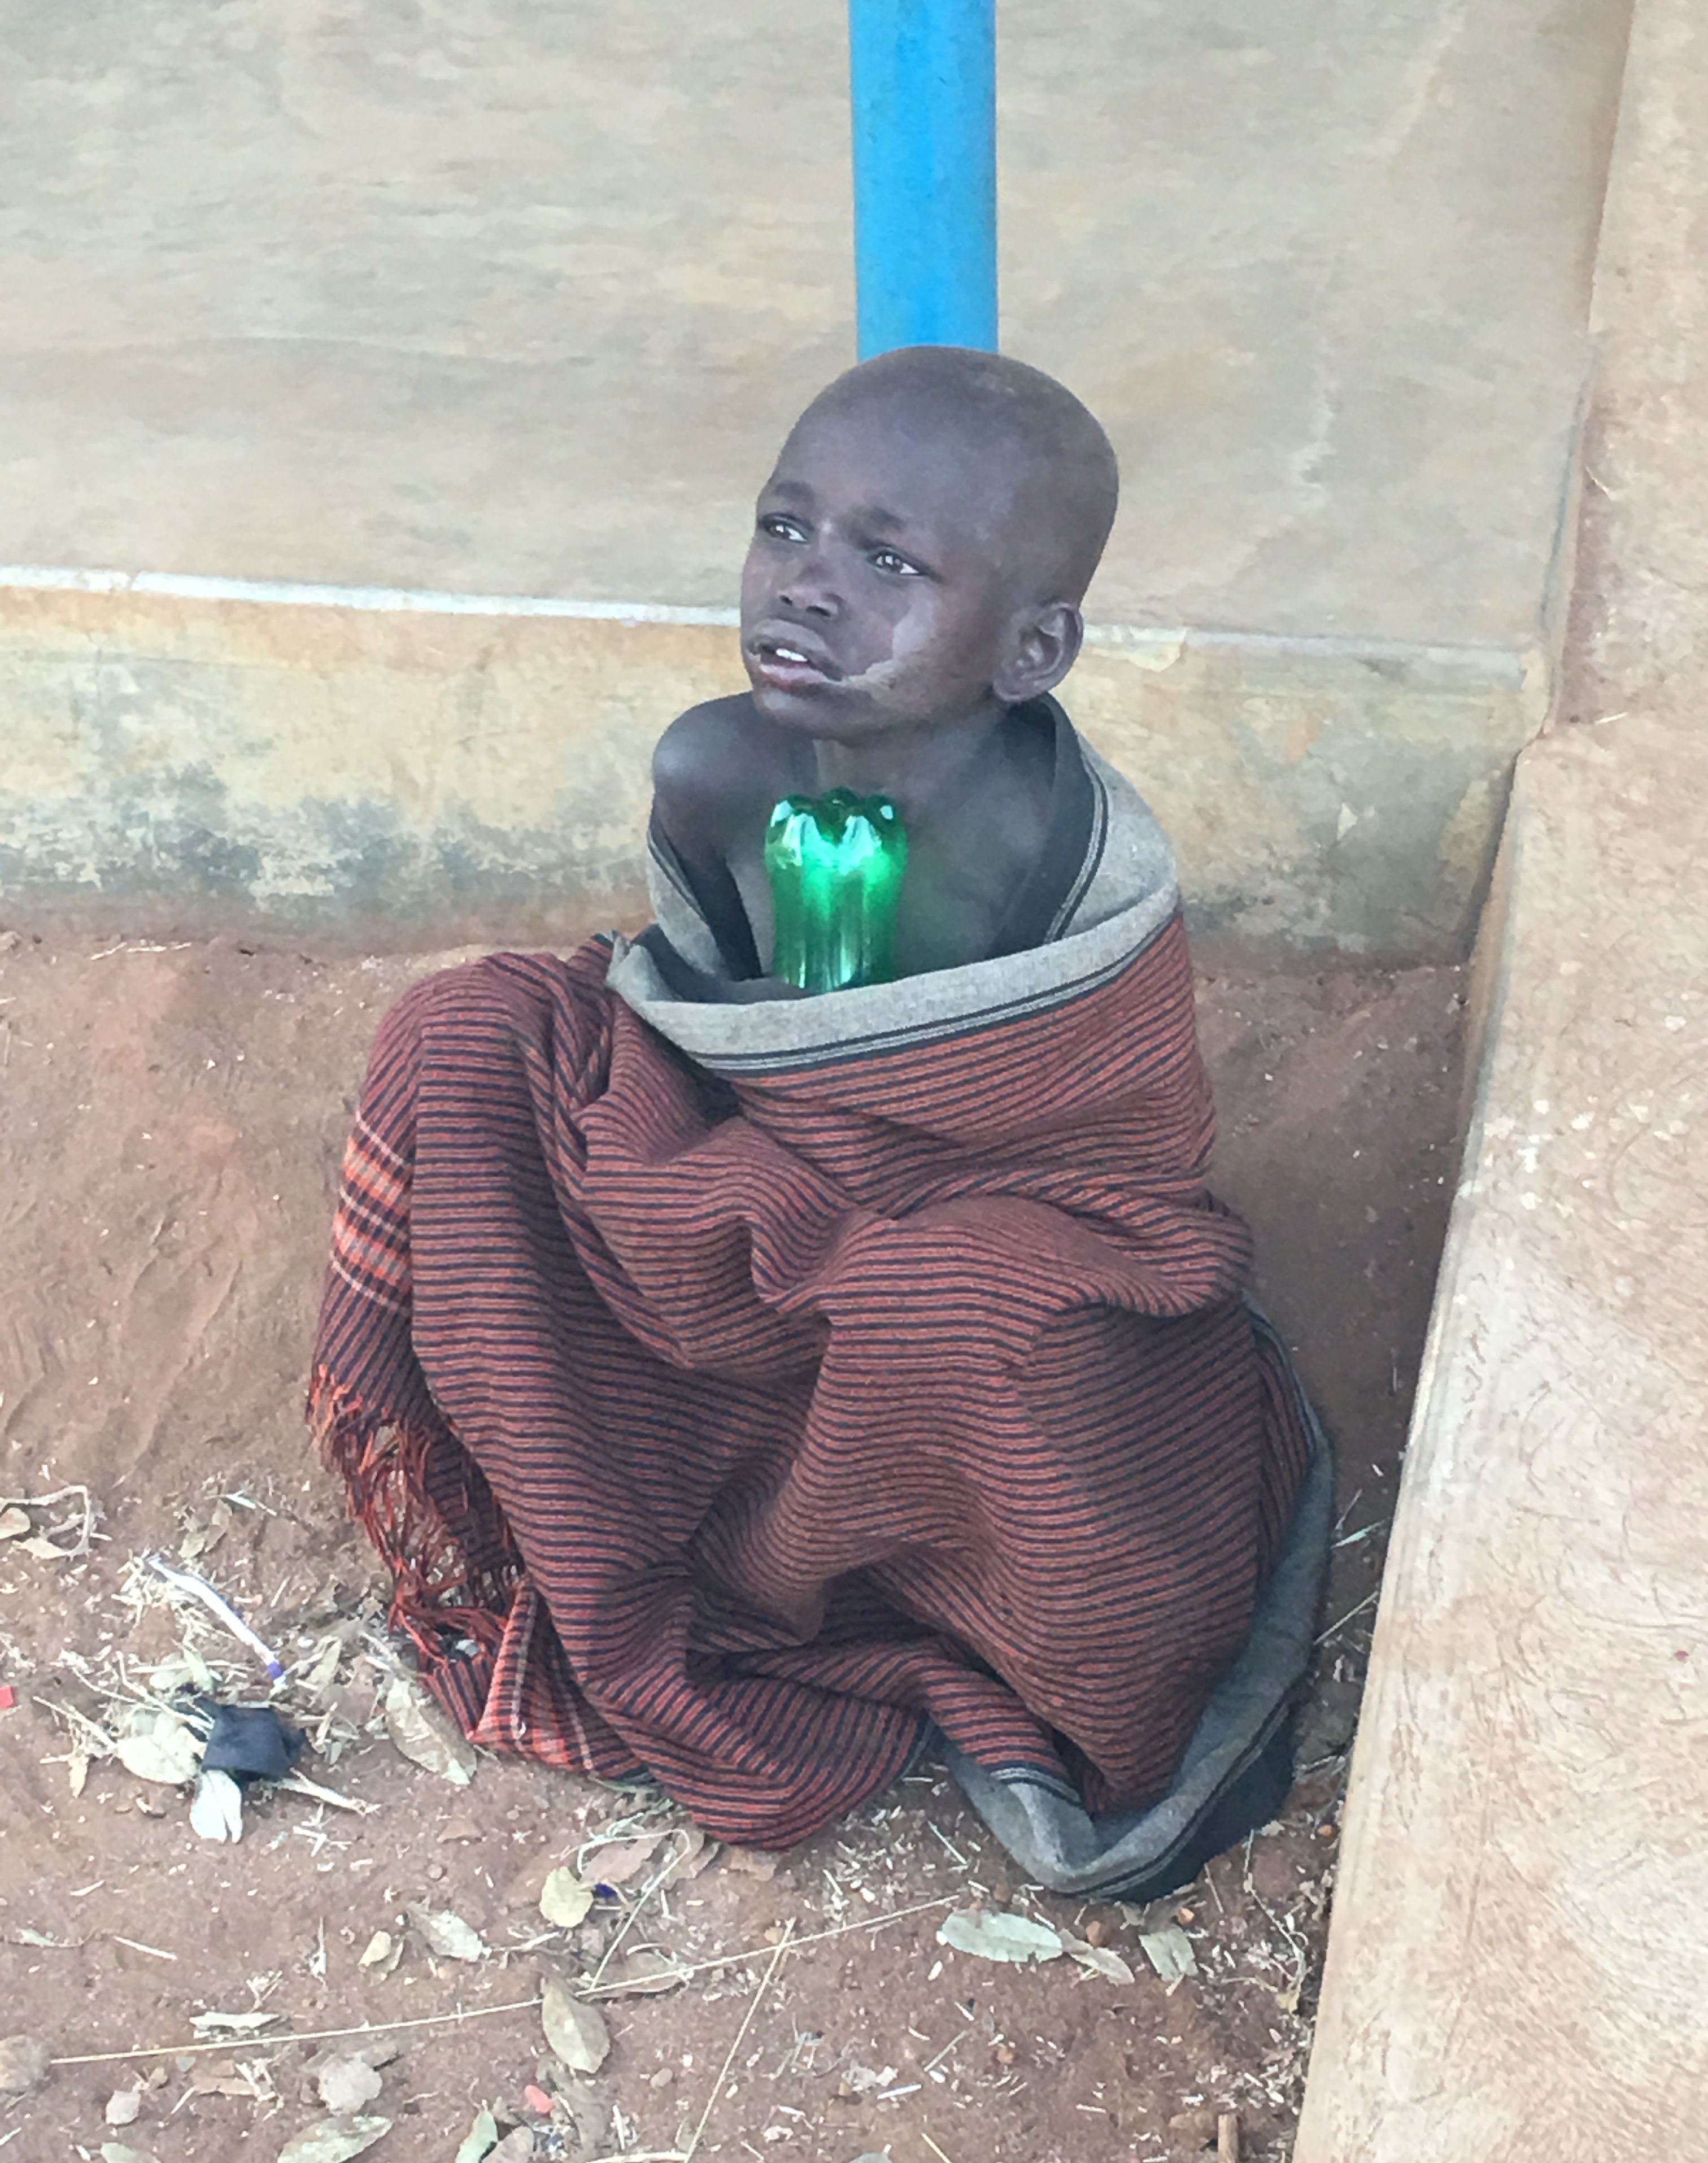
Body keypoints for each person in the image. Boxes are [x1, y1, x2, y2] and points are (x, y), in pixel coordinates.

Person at [311, 347, 1331, 1900]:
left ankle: (886, 1590)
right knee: (470, 1031)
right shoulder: (715, 769)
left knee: (973, 1306)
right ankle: (605, 1541)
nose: (806, 588)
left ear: (1033, 646)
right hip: (738, 1239)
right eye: (785, 530)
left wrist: (848, 1208)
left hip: (958, 1271)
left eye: (889, 561)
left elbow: (1116, 1179)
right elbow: (712, 1039)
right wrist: (748, 1191)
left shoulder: (1062, 864)